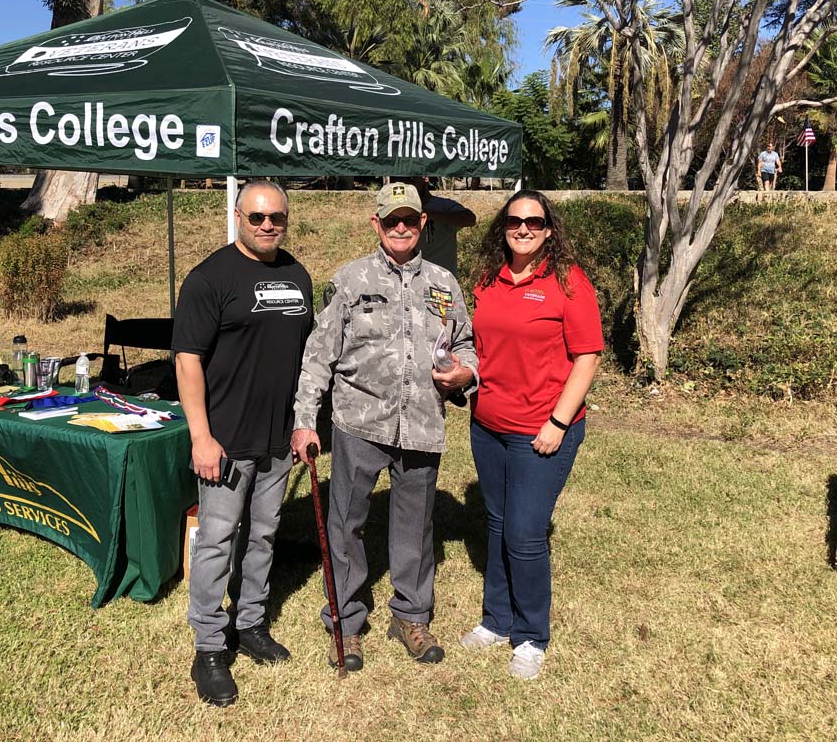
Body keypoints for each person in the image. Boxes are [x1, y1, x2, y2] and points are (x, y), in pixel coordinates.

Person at [291, 181, 477, 672]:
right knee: (345, 525)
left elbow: (467, 346)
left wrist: (466, 375)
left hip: (422, 424)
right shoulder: (350, 280)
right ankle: (347, 621)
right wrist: (305, 420)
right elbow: (318, 356)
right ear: (376, 223)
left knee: (415, 527)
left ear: (422, 224)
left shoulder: (445, 284)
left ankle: (411, 616)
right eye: (391, 219)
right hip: (359, 423)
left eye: (409, 219)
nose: (401, 227)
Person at [174, 180, 313, 707]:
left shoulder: (297, 275)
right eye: (257, 217)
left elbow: (306, 357)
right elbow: (187, 360)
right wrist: (201, 437)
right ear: (238, 217)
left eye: (277, 216)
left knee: (264, 536)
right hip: (226, 440)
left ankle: (250, 622)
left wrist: (303, 423)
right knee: (217, 540)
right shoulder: (209, 278)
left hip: (278, 439)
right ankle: (210, 647)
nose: (268, 225)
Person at [460, 190, 603, 681]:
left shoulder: (567, 281)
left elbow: (587, 356)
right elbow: (480, 346)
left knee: (524, 533)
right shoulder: (488, 279)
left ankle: (530, 635)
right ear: (502, 227)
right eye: (514, 220)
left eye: (534, 222)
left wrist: (558, 422)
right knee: (498, 524)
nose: (523, 229)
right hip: (488, 426)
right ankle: (496, 620)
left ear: (549, 229)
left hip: (541, 430)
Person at [407, 176, 476, 276]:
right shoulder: (402, 209)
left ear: (425, 178)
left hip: (442, 277)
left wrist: (432, 215)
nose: (409, 185)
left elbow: (470, 219)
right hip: (412, 276)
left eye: (413, 179)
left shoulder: (443, 205)